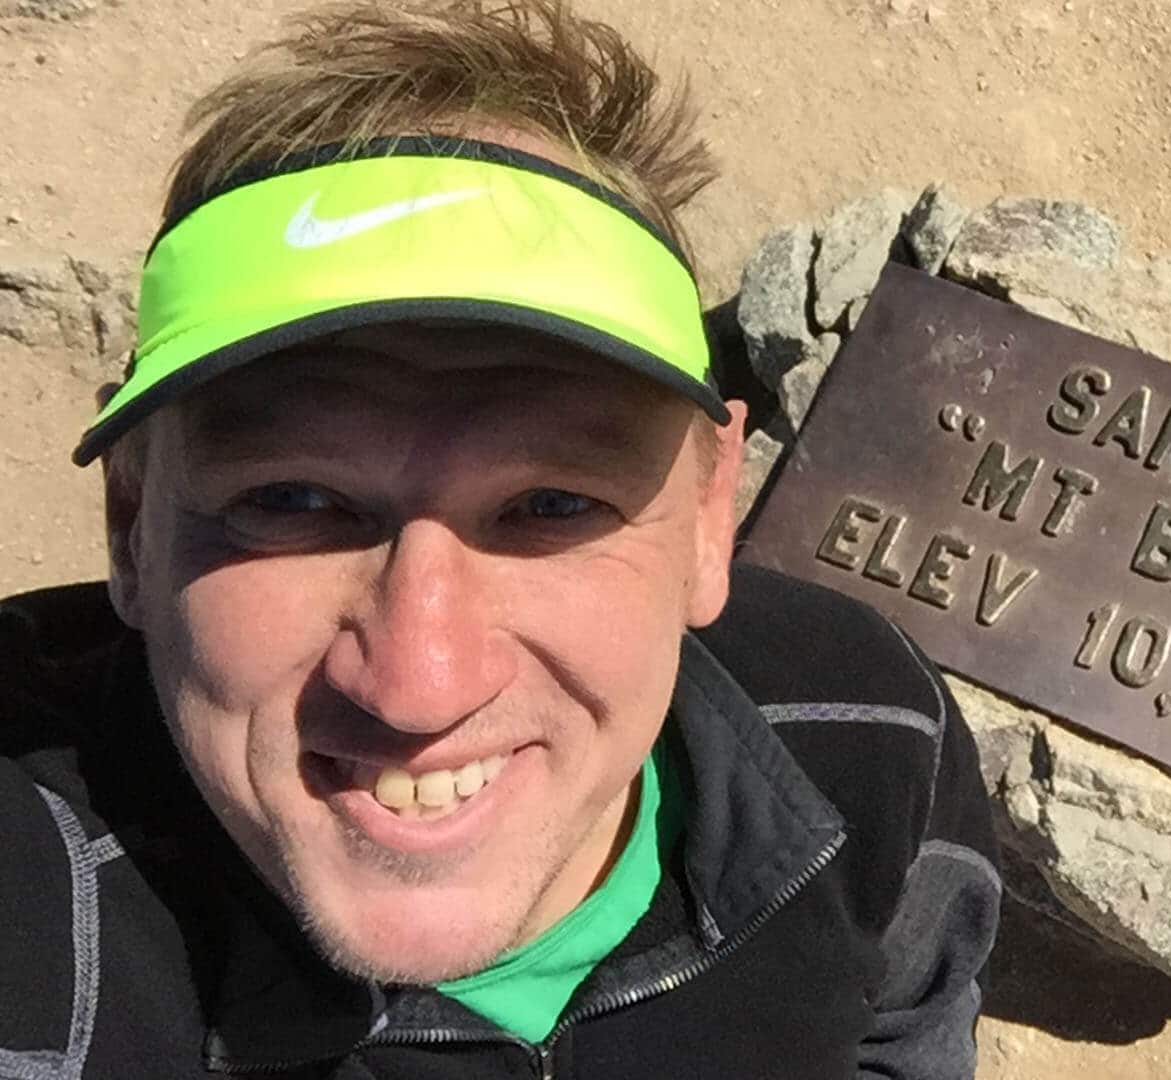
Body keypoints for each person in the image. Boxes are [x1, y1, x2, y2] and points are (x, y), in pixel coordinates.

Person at [0, 2, 1000, 1076]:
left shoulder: (872, 730)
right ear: (131, 521)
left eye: (552, 505)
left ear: (711, 519)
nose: (418, 687)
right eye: (292, 499)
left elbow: (906, 1022)